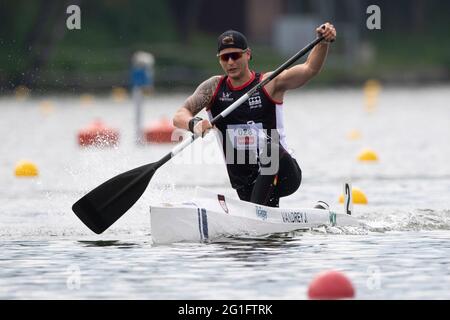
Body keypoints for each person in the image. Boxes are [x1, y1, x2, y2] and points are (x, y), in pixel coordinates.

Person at [173, 23, 336, 207]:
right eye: (225, 57)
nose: (230, 62)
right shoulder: (213, 88)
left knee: (269, 148)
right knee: (260, 209)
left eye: (235, 55)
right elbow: (180, 115)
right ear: (219, 60)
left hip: (284, 173)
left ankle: (256, 212)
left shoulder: (269, 83)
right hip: (244, 182)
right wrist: (195, 123)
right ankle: (278, 214)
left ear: (248, 54)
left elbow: (309, 69)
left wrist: (323, 42)